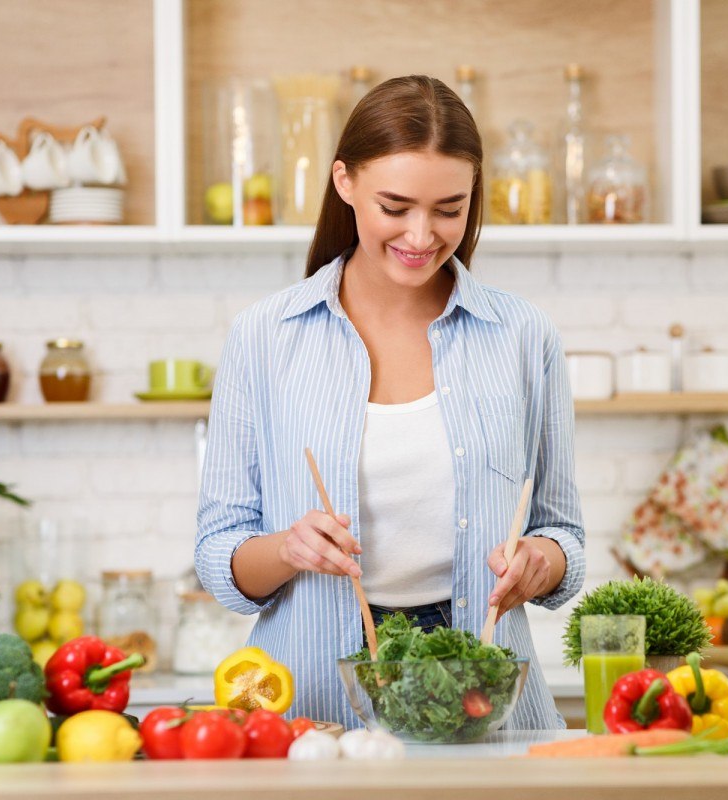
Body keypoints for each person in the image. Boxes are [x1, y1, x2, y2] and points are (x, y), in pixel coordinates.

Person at [196, 75, 585, 730]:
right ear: (344, 182)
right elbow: (218, 554)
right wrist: (289, 548)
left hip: (485, 705)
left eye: (448, 209)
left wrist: (539, 565)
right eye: (395, 206)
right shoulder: (265, 336)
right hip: (314, 704)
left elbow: (562, 533)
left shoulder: (523, 337)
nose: (421, 234)